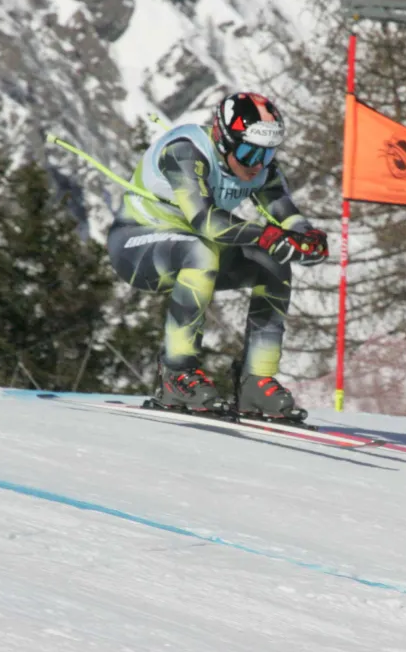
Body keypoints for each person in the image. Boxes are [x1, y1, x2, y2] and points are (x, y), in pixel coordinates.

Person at [106, 92, 328, 418]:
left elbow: (285, 213)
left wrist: (308, 237)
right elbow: (206, 221)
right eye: (248, 152)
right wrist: (271, 235)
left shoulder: (257, 164)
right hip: (136, 247)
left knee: (273, 263)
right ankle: (176, 372)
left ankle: (256, 380)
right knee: (202, 249)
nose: (256, 164)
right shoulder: (185, 151)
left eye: (267, 155)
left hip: (195, 248)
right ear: (223, 140)